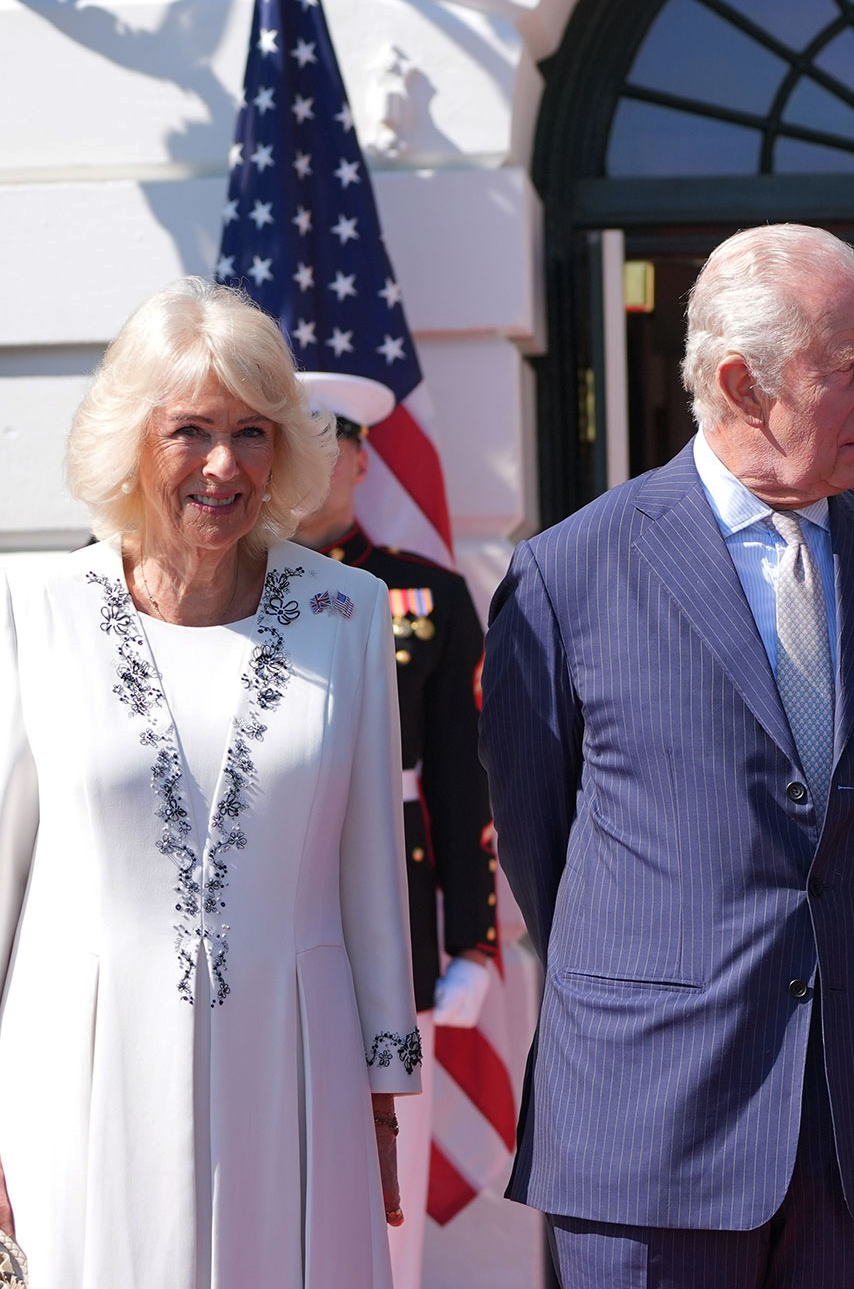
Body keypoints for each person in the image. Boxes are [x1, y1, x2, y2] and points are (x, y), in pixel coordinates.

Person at [482, 224, 854, 1287]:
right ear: (746, 384)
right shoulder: (569, 573)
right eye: (851, 367)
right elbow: (539, 848)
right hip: (650, 1132)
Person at [0, 278, 422, 1286]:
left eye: (251, 432)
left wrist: (380, 1098)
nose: (222, 464)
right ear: (131, 440)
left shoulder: (350, 611)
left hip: (297, 1074)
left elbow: (373, 871)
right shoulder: (36, 606)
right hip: (79, 1071)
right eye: (189, 430)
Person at [294, 370, 498, 1289]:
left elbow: (463, 776)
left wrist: (473, 941)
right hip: (268, 915)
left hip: (398, 917)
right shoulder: (231, 589)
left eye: (325, 445)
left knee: (392, 1189)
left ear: (361, 458)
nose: (307, 467)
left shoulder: (425, 595)